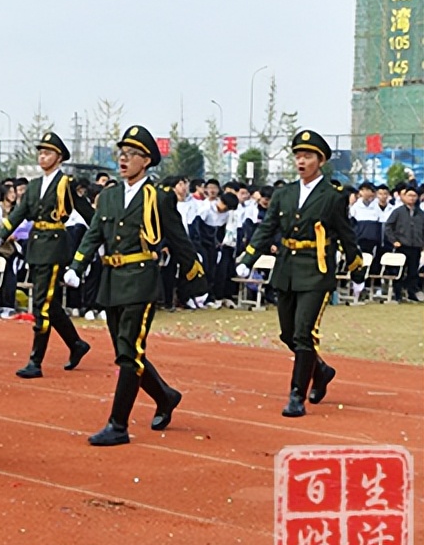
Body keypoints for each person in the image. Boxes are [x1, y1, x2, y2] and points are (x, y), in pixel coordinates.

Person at [64, 125, 208, 446]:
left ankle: (118, 424)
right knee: (125, 352)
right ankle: (165, 396)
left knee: (130, 353)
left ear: (146, 161)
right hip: (112, 280)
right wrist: (77, 265)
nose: (124, 159)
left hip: (141, 280)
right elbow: (95, 233)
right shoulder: (110, 195)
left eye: (131, 154)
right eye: (122, 153)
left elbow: (179, 239)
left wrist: (196, 280)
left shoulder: (158, 197)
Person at [236, 130, 362, 417]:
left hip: (316, 271)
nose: (301, 161)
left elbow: (346, 235)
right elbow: (267, 228)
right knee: (288, 334)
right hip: (286, 269)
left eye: (307, 156)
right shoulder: (284, 193)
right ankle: (321, 370)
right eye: (298, 156)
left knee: (305, 333)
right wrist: (249, 257)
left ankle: (296, 395)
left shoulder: (333, 196)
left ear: (321, 161)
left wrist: (357, 270)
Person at [0, 132, 94, 378]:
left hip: (54, 247)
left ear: (59, 157)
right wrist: (0, 236)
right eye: (40, 152)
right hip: (36, 247)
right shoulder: (35, 185)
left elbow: (89, 214)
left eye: (47, 153)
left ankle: (35, 361)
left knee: (41, 305)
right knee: (49, 303)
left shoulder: (66, 184)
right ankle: (76, 344)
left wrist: (100, 238)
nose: (42, 156)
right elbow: (19, 213)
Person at [384, 185, 422, 302]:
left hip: (416, 246)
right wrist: (394, 240)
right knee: (399, 271)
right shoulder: (398, 212)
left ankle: (411, 293)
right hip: (402, 246)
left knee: (413, 272)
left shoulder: (420, 213)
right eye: (409, 195)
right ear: (404, 197)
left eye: (414, 196)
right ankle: (398, 294)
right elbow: (388, 227)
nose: (412, 198)